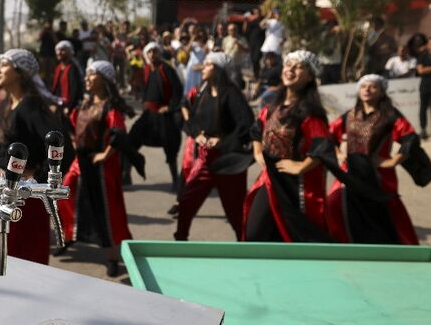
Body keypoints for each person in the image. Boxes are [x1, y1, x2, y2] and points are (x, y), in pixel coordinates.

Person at [0, 49, 67, 266]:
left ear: (20, 72)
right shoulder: (7, 102)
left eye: (4, 65)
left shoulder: (30, 106)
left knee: (24, 255)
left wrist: (38, 177)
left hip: (24, 196)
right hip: (4, 188)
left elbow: (61, 144)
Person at [326, 74, 431, 245]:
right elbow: (328, 135)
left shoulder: (389, 115)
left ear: (382, 92)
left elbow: (410, 138)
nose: (367, 90)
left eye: (372, 86)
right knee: (335, 203)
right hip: (350, 172)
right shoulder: (350, 115)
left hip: (379, 175)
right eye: (363, 86)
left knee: (385, 212)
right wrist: (339, 153)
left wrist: (392, 161)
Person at [243, 51, 333, 242]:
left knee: (294, 235)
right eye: (288, 64)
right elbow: (257, 129)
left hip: (296, 186)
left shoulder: (310, 111)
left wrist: (300, 166)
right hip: (269, 180)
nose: (290, 69)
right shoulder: (272, 105)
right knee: (255, 232)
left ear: (310, 77)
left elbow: (322, 146)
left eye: (298, 66)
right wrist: (258, 152)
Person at [58, 60, 135, 277]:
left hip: (101, 166)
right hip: (80, 163)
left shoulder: (110, 107)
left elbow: (118, 133)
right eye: (88, 74)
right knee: (64, 193)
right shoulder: (85, 103)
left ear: (104, 79)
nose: (87, 78)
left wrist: (105, 154)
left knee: (105, 208)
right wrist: (75, 143)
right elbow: (73, 125)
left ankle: (112, 256)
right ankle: (68, 234)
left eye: (93, 74)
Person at [174, 53, 254, 241]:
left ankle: (245, 248)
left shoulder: (231, 94)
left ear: (218, 69)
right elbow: (188, 114)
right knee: (186, 203)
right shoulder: (203, 93)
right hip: (204, 159)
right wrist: (197, 135)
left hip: (228, 162)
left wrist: (222, 140)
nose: (204, 67)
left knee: (235, 213)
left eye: (208, 64)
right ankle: (180, 241)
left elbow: (246, 124)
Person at [127, 42, 184, 189]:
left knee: (170, 147)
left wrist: (170, 107)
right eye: (150, 52)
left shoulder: (166, 69)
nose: (152, 55)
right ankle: (125, 175)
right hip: (148, 115)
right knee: (130, 141)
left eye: (155, 52)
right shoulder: (146, 70)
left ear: (159, 53)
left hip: (163, 115)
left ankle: (175, 180)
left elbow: (178, 89)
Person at [51, 40, 84, 122]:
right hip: (60, 105)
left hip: (70, 107)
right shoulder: (58, 68)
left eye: (62, 50)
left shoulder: (73, 68)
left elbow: (75, 89)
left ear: (69, 52)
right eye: (57, 50)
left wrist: (69, 107)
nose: (59, 53)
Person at [416, 34, 431, 139]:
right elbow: (420, 70)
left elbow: (424, 70)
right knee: (423, 108)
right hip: (425, 86)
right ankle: (423, 129)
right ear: (428, 45)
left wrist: (428, 69)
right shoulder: (422, 57)